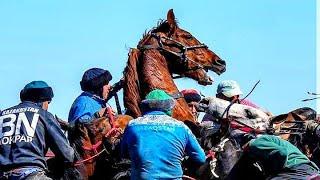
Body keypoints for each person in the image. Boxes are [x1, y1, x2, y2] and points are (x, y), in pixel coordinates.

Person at [121, 89, 206, 179]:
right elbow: (201, 158)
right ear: (169, 106)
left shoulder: (132, 125)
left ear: (145, 106)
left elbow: (123, 154)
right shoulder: (182, 127)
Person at [0, 81, 74, 180]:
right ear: (42, 101)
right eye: (48, 102)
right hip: (31, 175)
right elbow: (67, 155)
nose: (47, 106)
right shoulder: (44, 115)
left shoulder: (2, 115)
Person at [227, 135, 320, 179]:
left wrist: (273, 175)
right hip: (309, 169)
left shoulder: (255, 143)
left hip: (296, 169)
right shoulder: (270, 139)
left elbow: (282, 153)